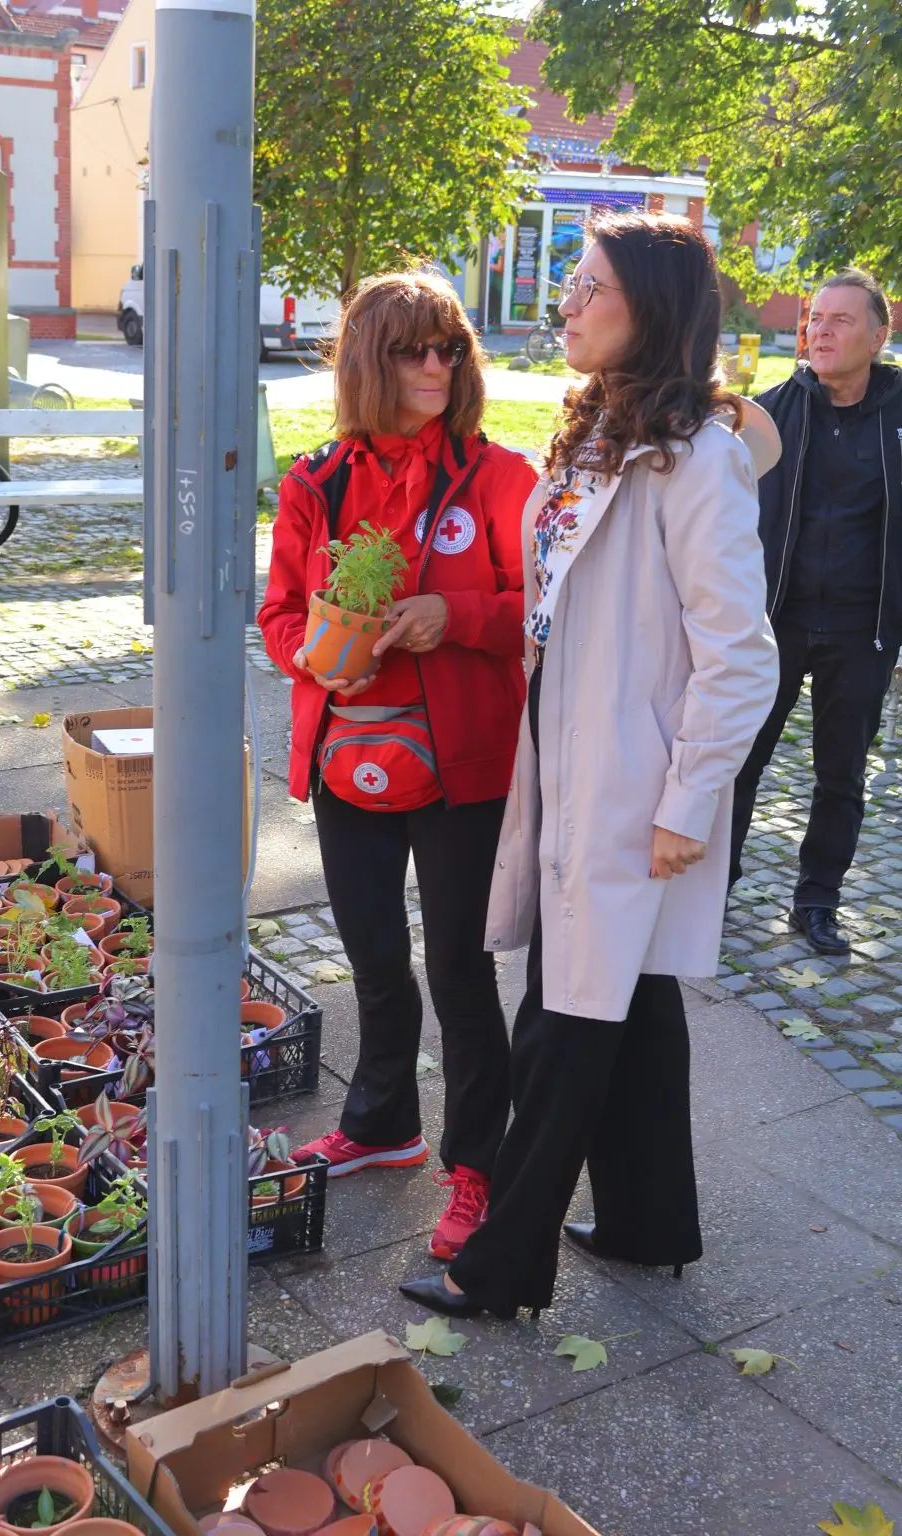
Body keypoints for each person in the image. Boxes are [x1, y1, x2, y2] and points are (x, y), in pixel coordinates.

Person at [399, 212, 780, 1321]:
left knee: (561, 1023)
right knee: (636, 999)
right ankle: (651, 1220)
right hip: (568, 767)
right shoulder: (600, 435)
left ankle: (499, 1268)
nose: (566, 301)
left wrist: (688, 801)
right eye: (569, 283)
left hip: (629, 788)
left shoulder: (697, 458)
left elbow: (738, 654)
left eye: (590, 285)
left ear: (650, 309)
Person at [257, 271, 538, 1262]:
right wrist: (320, 646)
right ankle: (382, 1123)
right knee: (373, 959)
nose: (435, 366)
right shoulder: (315, 481)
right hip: (350, 757)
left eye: (450, 348)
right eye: (414, 349)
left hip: (462, 765)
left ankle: (476, 1165)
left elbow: (540, 614)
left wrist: (451, 616)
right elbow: (280, 613)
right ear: (369, 361)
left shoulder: (501, 478)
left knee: (459, 971)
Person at [728, 269, 902, 955]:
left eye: (839, 320)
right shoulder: (768, 415)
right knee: (738, 760)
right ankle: (713, 886)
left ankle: (818, 899)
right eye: (814, 319)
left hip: (866, 629)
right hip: (774, 621)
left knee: (841, 775)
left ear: (879, 335)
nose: (819, 332)